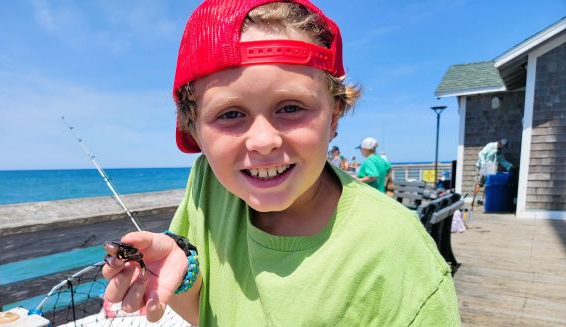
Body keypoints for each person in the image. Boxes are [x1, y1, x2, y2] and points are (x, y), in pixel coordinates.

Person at [102, 1, 460, 325]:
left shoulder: (393, 249)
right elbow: (208, 312)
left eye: (290, 108)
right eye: (230, 114)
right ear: (194, 130)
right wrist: (182, 275)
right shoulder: (209, 183)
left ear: (334, 117)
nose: (263, 141)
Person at [472, 138, 515, 210]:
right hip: (483, 165)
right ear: (501, 144)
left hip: (490, 166)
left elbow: (501, 160)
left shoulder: (498, 151)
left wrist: (509, 166)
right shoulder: (490, 145)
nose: (503, 148)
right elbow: (481, 154)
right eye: (504, 146)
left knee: (487, 185)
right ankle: (473, 201)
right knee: (479, 183)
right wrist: (483, 165)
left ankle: (484, 202)